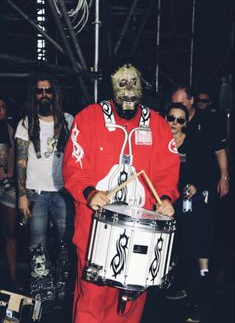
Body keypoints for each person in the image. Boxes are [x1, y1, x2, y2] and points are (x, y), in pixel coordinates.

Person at [62, 63, 180, 323]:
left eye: (134, 83)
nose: (128, 91)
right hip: (94, 231)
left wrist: (166, 198)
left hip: (141, 234)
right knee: (92, 302)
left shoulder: (158, 125)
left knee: (129, 306)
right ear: (111, 86)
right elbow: (73, 165)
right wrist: (90, 193)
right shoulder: (89, 118)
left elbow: (167, 170)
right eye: (122, 84)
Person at [14, 74, 74, 303]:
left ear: (55, 93)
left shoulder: (69, 120)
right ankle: (41, 288)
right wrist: (21, 196)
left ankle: (64, 285)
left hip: (62, 192)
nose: (44, 95)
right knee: (37, 241)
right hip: (35, 192)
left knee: (66, 240)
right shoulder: (26, 123)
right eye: (40, 91)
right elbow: (20, 162)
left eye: (48, 90)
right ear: (34, 95)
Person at [165, 103, 210, 323]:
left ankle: (194, 304)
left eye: (180, 120)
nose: (174, 123)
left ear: (186, 123)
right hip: (163, 203)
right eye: (171, 118)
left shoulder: (194, 143)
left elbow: (206, 171)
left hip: (186, 205)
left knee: (189, 250)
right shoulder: (157, 141)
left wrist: (196, 186)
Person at [0, 95, 17, 290]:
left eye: (2, 107)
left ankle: (13, 282)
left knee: (10, 233)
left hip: (8, 187)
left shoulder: (11, 129)